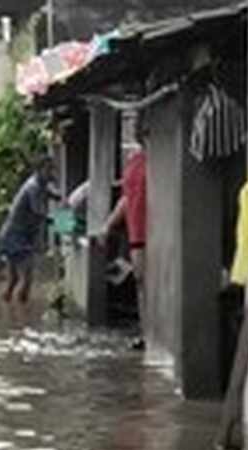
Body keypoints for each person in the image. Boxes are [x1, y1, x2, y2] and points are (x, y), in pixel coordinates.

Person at [101, 121, 149, 350]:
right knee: (141, 282)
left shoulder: (152, 162)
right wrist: (108, 225)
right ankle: (146, 331)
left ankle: (148, 332)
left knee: (144, 282)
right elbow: (127, 197)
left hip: (150, 232)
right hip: (137, 233)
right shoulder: (135, 162)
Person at [0, 156, 58, 303]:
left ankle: (9, 313)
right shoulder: (33, 187)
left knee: (14, 280)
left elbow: (53, 195)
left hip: (12, 234)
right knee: (27, 278)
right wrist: (63, 222)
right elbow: (39, 213)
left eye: (52, 169)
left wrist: (60, 197)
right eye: (48, 169)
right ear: (38, 170)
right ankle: (22, 319)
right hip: (16, 236)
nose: (51, 173)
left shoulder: (40, 184)